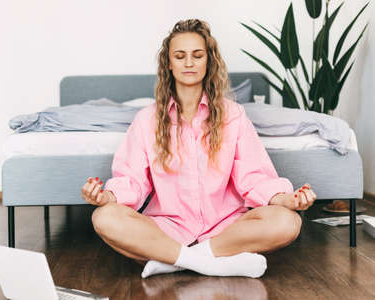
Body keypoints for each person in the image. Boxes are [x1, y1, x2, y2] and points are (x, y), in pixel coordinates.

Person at [80, 19, 316, 278]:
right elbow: (132, 182)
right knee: (104, 217)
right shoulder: (146, 119)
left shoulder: (234, 115)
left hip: (226, 229)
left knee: (288, 221)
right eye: (180, 56)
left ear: (208, 60)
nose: (189, 63)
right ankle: (211, 263)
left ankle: (177, 261)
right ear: (169, 64)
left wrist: (286, 200)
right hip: (166, 229)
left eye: (197, 55)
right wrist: (105, 198)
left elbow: (254, 178)